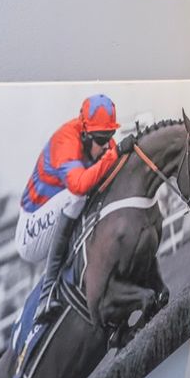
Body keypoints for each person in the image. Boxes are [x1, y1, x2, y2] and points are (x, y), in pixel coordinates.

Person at [15, 94, 122, 323]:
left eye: (110, 136)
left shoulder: (97, 142)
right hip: (30, 231)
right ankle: (47, 293)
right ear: (84, 133)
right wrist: (112, 156)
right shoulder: (65, 142)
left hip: (54, 215)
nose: (106, 144)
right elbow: (79, 184)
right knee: (76, 197)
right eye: (101, 138)